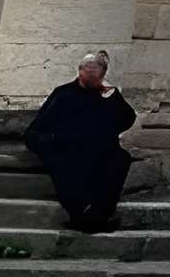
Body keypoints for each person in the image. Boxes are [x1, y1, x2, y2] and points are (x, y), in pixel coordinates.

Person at [23, 49, 137, 232]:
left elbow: (126, 119)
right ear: (80, 71)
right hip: (68, 147)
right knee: (68, 165)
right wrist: (55, 142)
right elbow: (36, 131)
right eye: (87, 72)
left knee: (119, 159)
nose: (91, 77)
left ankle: (99, 214)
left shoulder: (107, 95)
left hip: (101, 148)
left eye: (96, 75)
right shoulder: (64, 94)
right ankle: (85, 214)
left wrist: (113, 97)